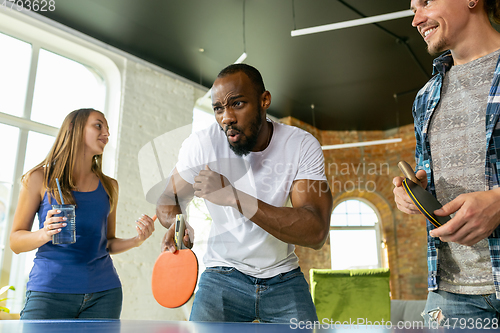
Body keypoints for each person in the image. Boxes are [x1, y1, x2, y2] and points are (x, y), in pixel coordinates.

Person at [156, 64, 333, 323]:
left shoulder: (300, 146)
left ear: (264, 101)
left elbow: (315, 231)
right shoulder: (203, 144)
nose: (226, 117)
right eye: (218, 108)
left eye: (237, 104)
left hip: (283, 278)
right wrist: (177, 223)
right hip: (221, 275)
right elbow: (167, 199)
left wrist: (234, 197)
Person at [393, 0, 500, 325]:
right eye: (413, 8)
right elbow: (426, 169)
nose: (416, 19)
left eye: (425, 2)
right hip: (450, 293)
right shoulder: (425, 97)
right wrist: (413, 191)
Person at [10, 108, 155, 319]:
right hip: (50, 292)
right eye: (98, 125)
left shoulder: (109, 186)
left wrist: (137, 240)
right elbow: (15, 242)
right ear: (73, 129)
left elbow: (107, 243)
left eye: (107, 128)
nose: (106, 133)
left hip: (104, 294)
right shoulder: (39, 178)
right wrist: (44, 233)